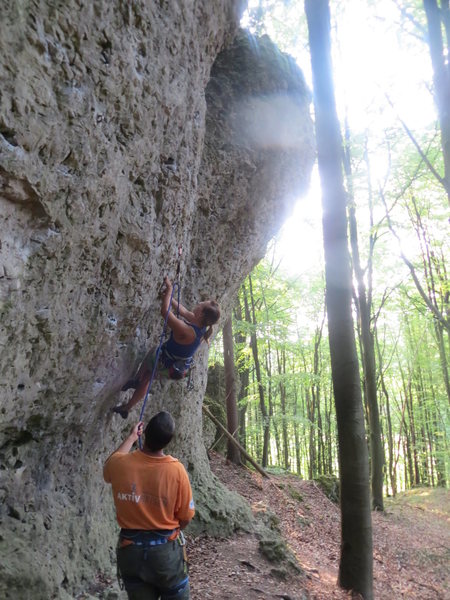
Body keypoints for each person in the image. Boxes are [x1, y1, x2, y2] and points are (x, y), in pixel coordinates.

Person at [103, 411, 195, 599]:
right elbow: (185, 517)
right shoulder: (176, 470)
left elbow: (109, 468)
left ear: (144, 434)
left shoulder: (120, 463)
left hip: (130, 551)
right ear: (168, 442)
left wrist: (130, 438)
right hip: (165, 553)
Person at [113, 276, 220, 419]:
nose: (198, 303)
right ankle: (131, 396)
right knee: (150, 366)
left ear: (200, 314)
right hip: (175, 363)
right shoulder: (200, 325)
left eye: (201, 304)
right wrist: (168, 296)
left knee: (149, 371)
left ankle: (133, 392)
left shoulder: (188, 332)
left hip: (169, 365)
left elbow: (165, 312)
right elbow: (182, 310)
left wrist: (169, 289)